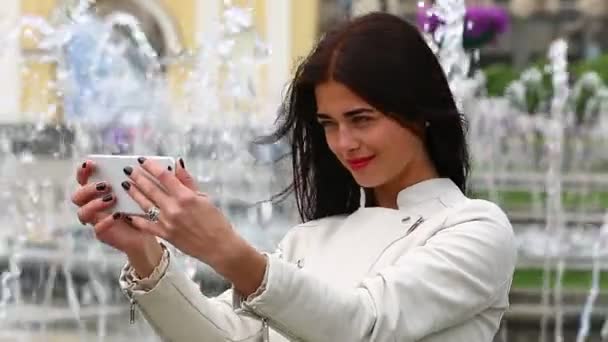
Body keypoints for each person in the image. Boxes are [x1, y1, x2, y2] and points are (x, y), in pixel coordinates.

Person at [72, 12, 516, 342]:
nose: (344, 143)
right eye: (328, 124)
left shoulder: (474, 228)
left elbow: (363, 326)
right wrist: (144, 253)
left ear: (419, 115)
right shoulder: (307, 240)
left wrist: (225, 250)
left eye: (361, 119)